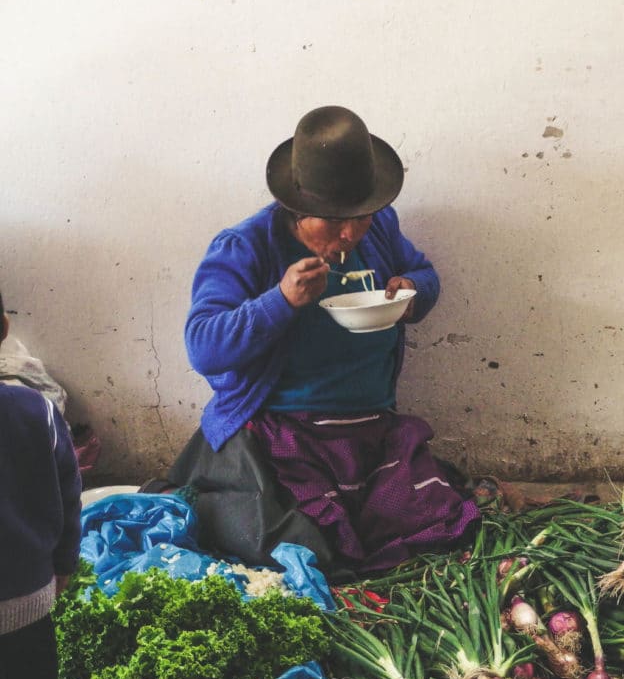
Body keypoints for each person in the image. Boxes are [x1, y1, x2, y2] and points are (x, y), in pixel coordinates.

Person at [169, 106, 479, 579]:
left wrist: (413, 292)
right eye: (332, 221)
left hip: (369, 429)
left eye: (360, 217)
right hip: (281, 433)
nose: (349, 233)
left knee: (431, 521)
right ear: (297, 209)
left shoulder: (380, 228)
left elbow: (424, 273)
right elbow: (203, 345)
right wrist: (280, 301)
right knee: (306, 546)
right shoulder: (246, 246)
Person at [0, 287, 82, 679]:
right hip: (28, 605)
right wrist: (64, 563)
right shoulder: (37, 410)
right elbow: (69, 495)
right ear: (4, 328)